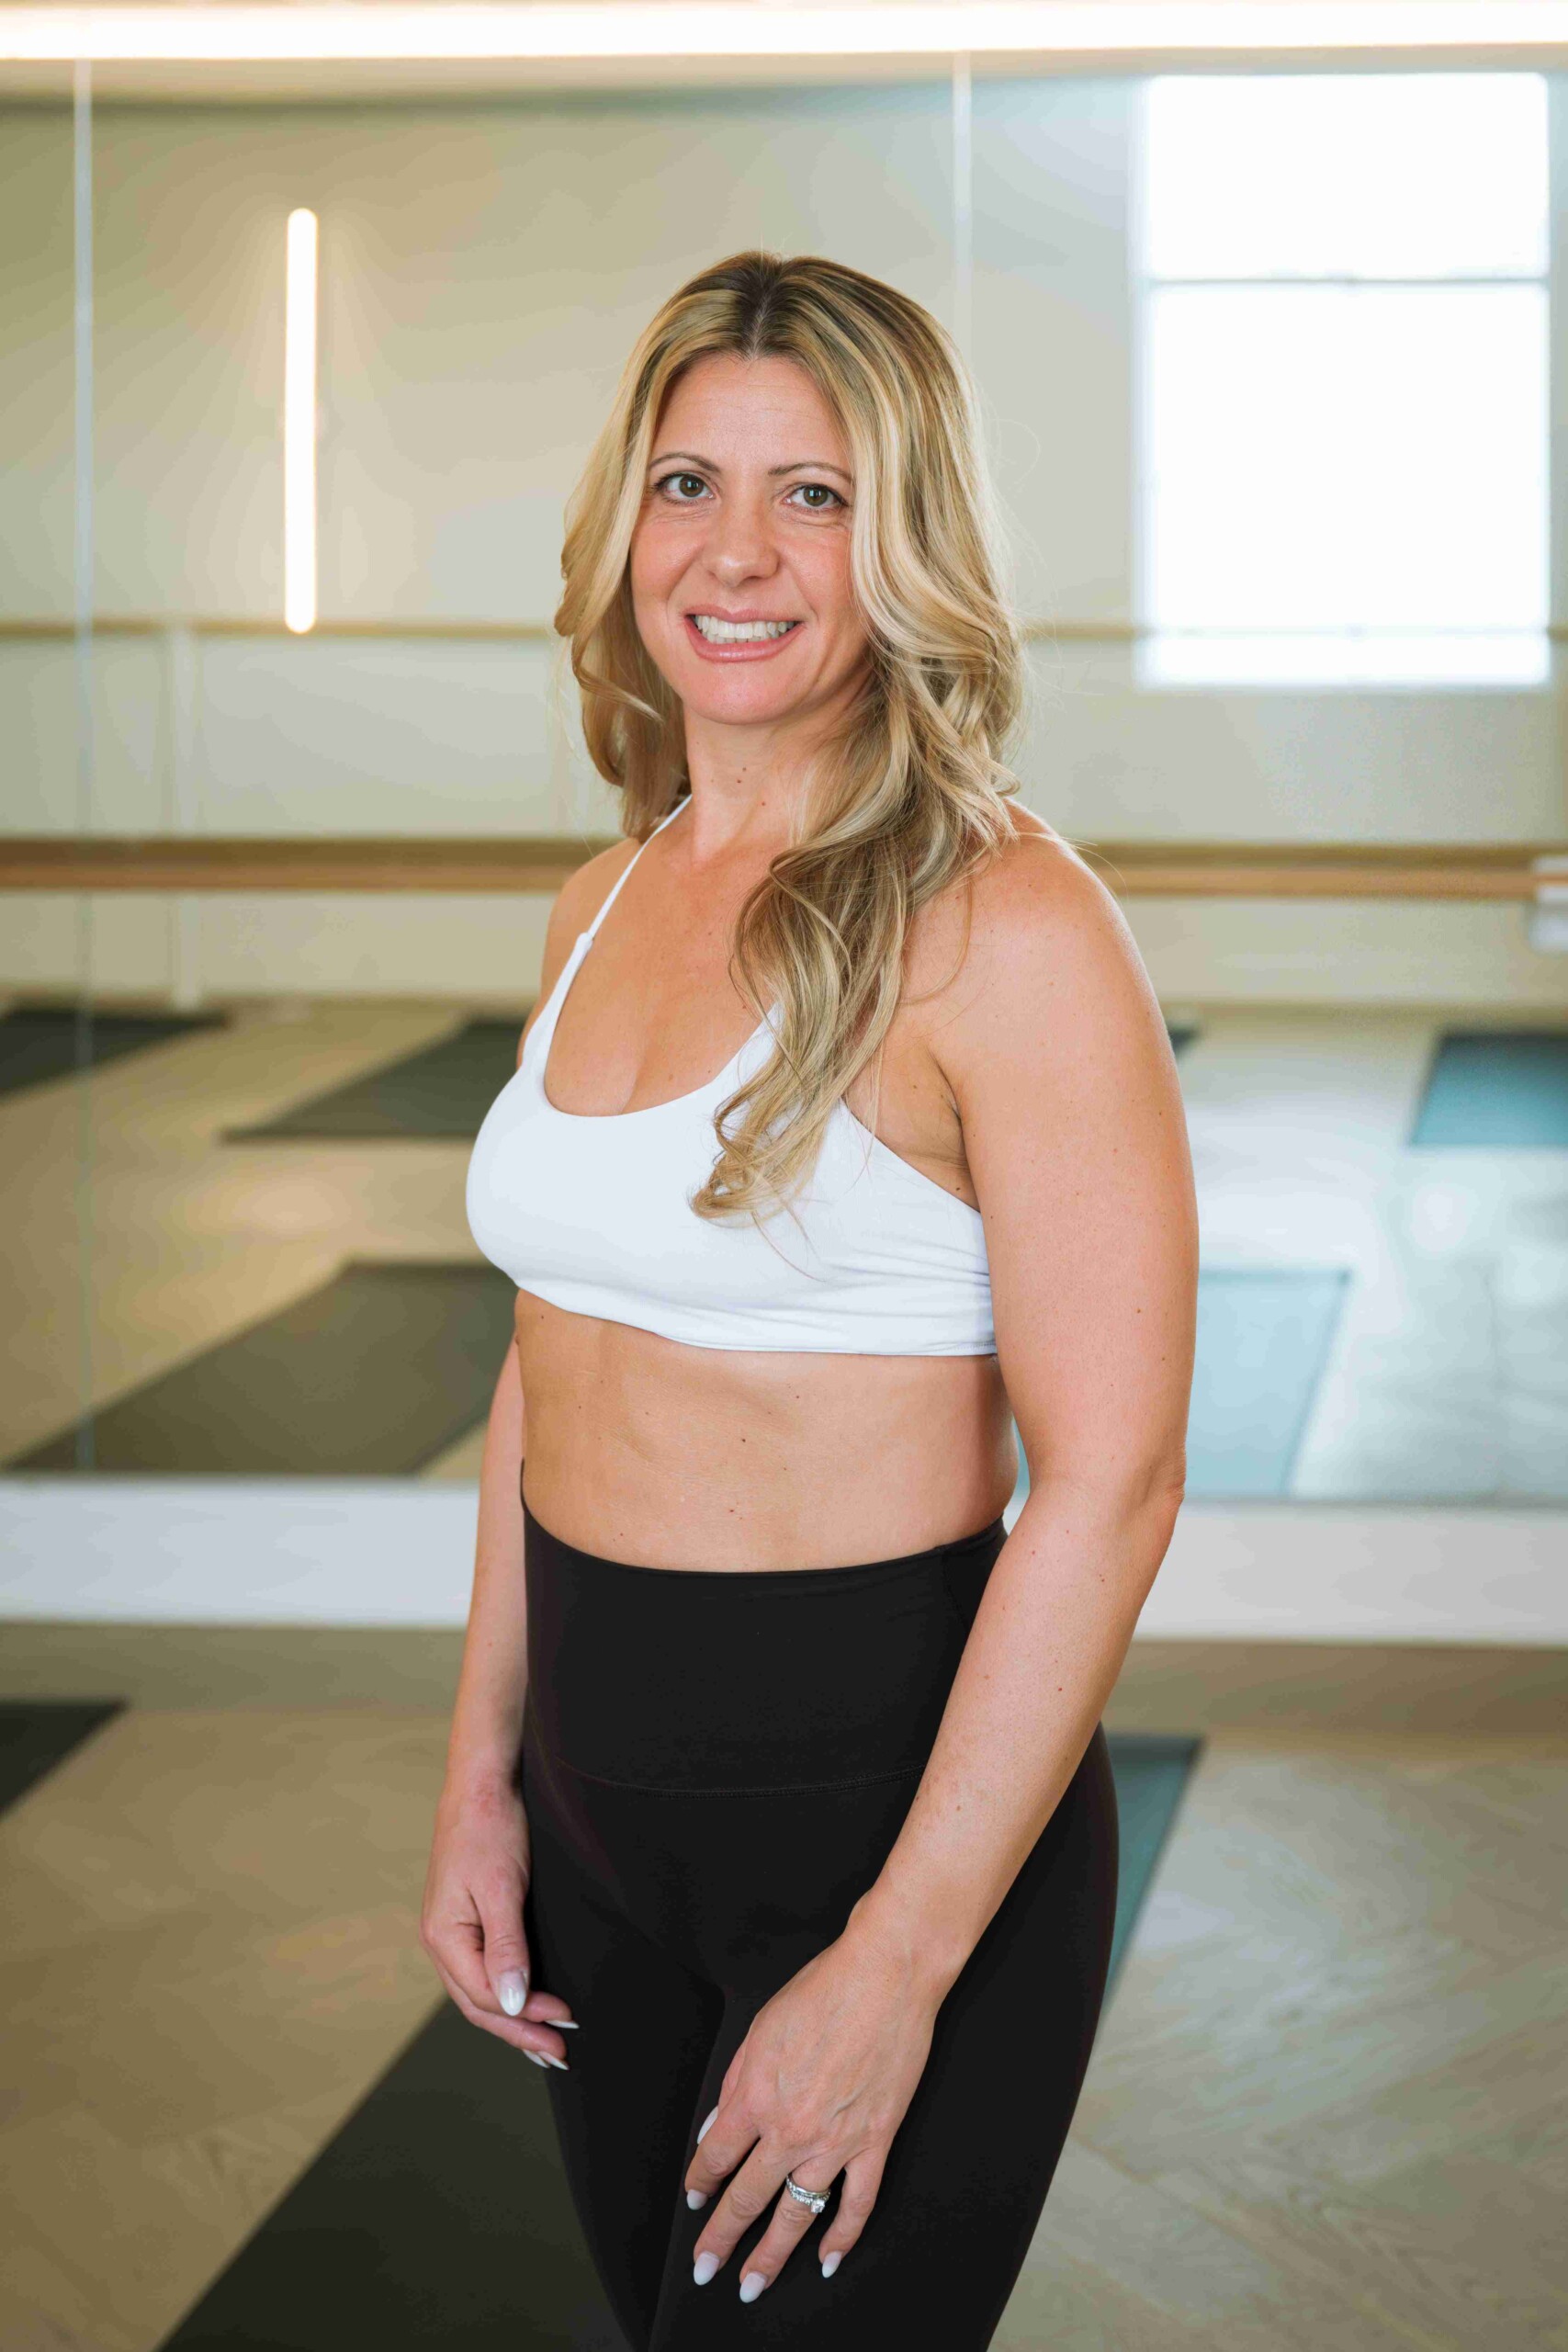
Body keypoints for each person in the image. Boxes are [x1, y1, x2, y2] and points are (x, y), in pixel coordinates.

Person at [423, 250, 1197, 2350]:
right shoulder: (606, 890)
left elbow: (1113, 1480)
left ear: (907, 537)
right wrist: (477, 1769)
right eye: (687, 483)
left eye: (816, 494)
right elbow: (542, 1365)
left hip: (878, 1825)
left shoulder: (1004, 922)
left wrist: (894, 1963)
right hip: (593, 1823)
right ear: (622, 526)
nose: (736, 552)